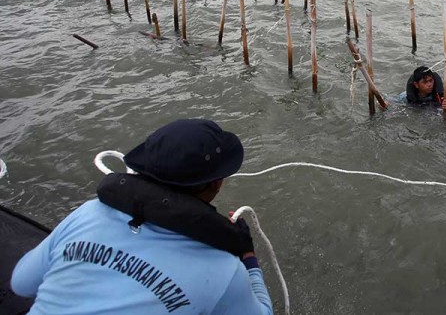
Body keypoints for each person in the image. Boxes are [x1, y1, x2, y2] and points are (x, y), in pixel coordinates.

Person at [11, 119, 273, 315]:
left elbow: (21, 284)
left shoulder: (87, 214)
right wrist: (248, 258)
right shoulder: (224, 270)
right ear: (216, 183)